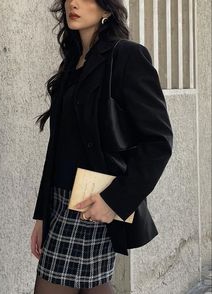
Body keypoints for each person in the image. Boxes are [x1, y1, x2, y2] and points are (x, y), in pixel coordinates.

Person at [30, 0, 173, 293]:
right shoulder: (72, 64)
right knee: (94, 286)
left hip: (93, 198)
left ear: (107, 9)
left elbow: (158, 141)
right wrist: (42, 215)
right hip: (61, 201)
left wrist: (115, 200)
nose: (73, 3)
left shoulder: (126, 56)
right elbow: (57, 149)